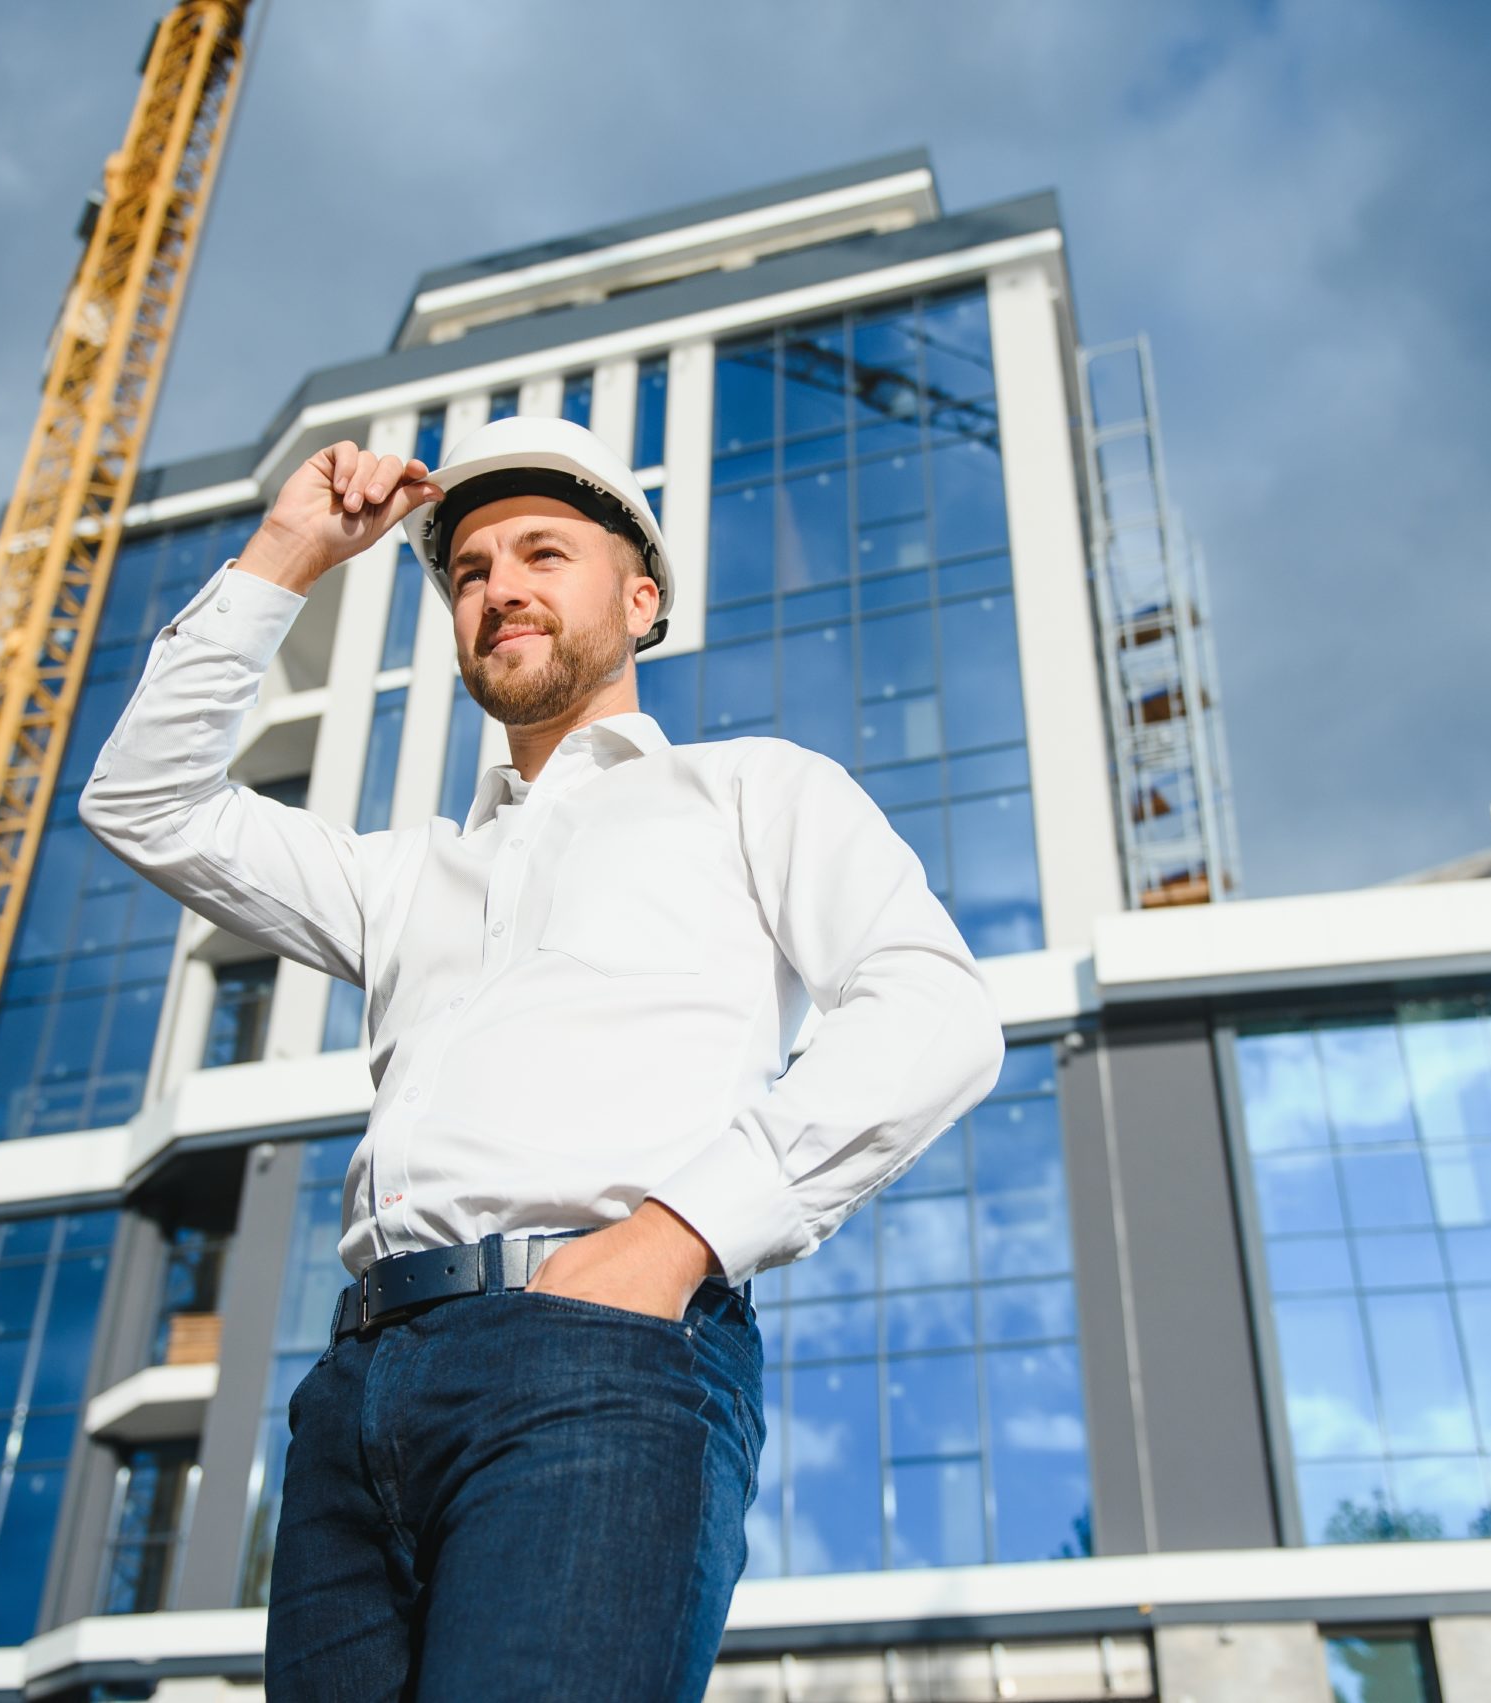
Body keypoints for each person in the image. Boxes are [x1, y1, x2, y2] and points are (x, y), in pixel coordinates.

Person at [78, 415, 1004, 1700]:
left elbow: (932, 1013)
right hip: (356, 1391)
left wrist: (676, 1236)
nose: (498, 584)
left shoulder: (752, 790)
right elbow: (145, 801)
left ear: (640, 597)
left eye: (542, 553)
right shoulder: (401, 875)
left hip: (600, 1363)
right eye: (467, 571)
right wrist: (292, 547)